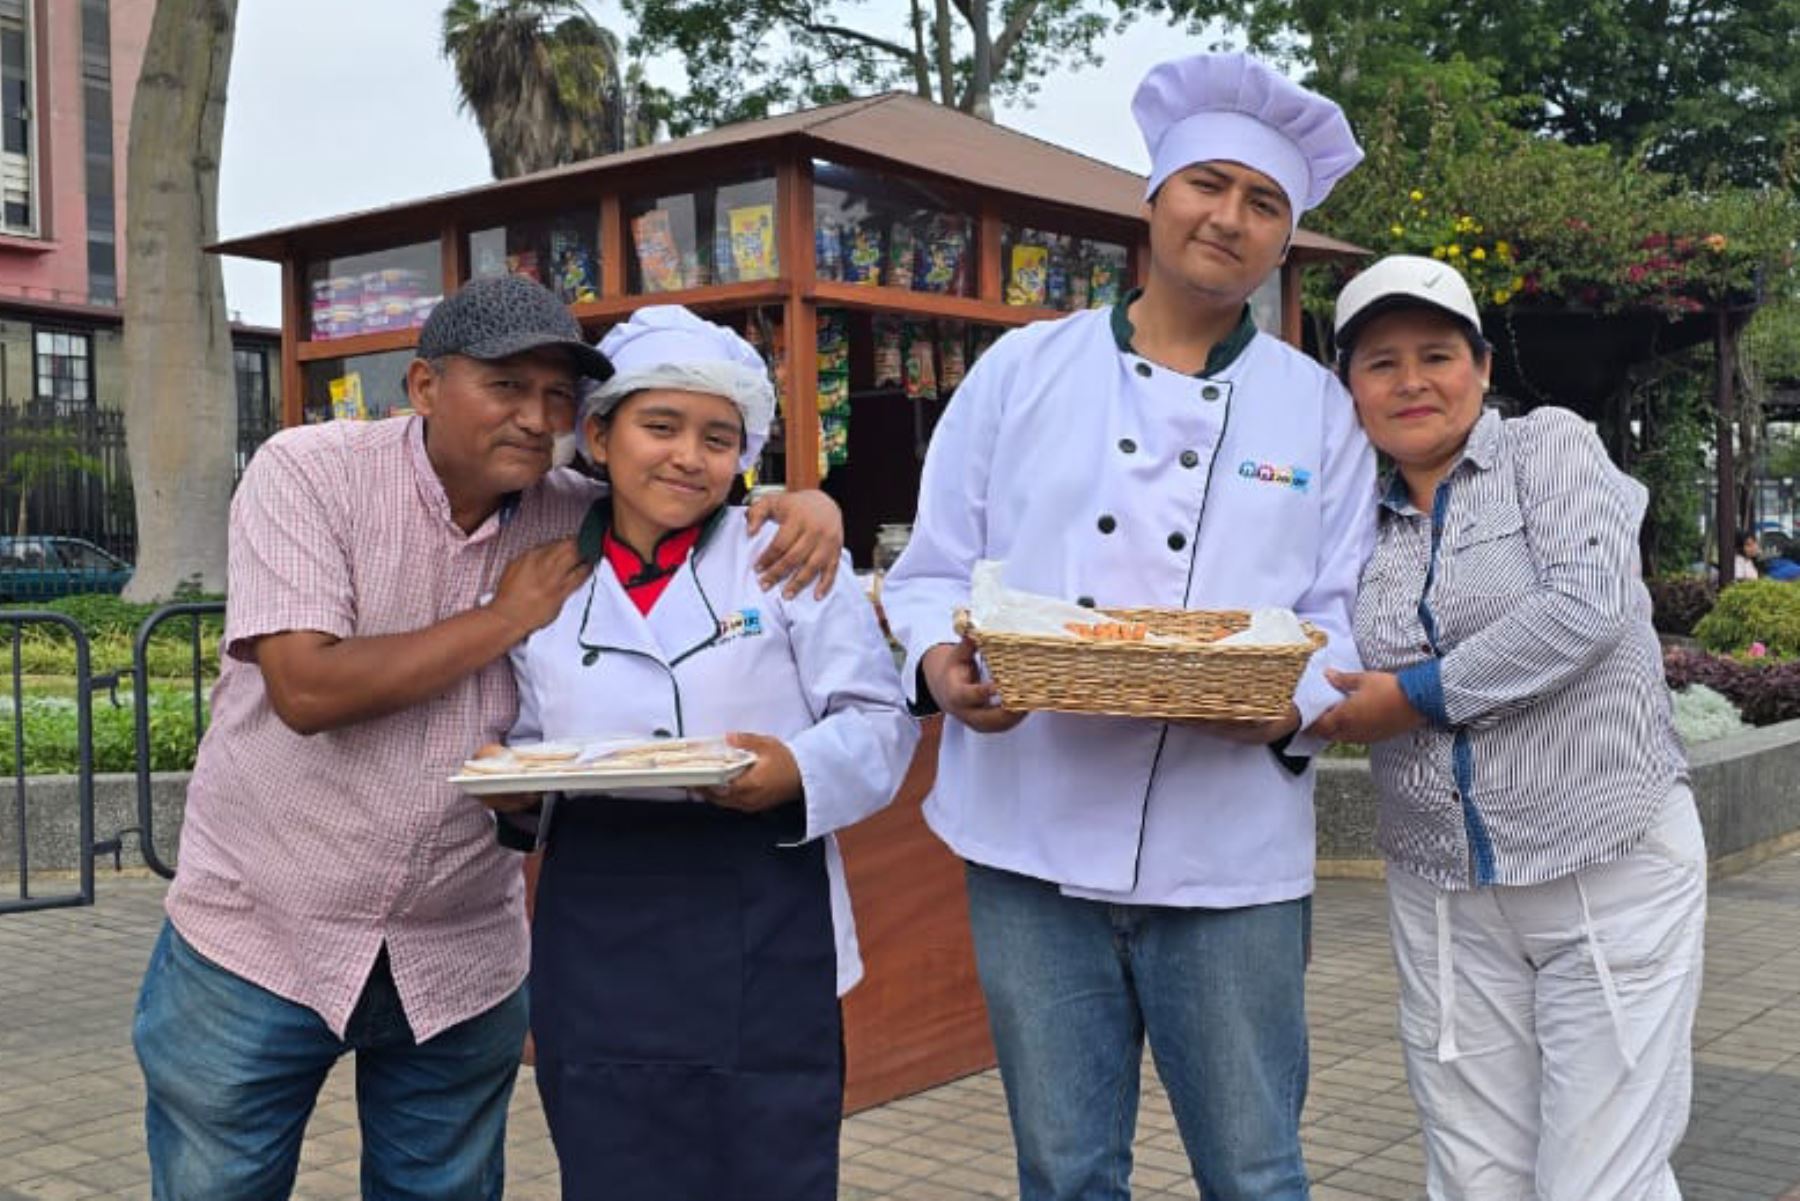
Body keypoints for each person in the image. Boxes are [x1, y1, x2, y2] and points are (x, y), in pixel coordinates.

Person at [131, 275, 847, 1201]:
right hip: (263, 935)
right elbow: (305, 686)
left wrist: (800, 501)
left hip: (459, 952)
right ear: (425, 386)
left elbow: (687, 476)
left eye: (556, 396)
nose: (534, 416)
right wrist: (505, 616)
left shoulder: (569, 508)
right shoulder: (309, 471)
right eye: (506, 386)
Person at [880, 52, 1374, 1201]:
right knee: (1063, 1170)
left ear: (1284, 240)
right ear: (1152, 198)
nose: (1230, 218)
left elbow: (1343, 611)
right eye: (1208, 184)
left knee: (1255, 1172)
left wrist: (1283, 705)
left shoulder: (1316, 409)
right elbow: (934, 568)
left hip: (1231, 856)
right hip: (1029, 844)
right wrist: (947, 667)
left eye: (1264, 204)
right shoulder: (1023, 369)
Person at [495, 305, 917, 1201]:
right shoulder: (548, 579)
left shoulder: (787, 554)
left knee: (772, 1172)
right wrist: (513, 793)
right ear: (599, 436)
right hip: (598, 931)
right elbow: (534, 745)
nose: (690, 455)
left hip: (764, 924)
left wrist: (795, 771)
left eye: (718, 437)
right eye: (661, 426)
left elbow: (882, 722)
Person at [1314, 255, 1705, 1200]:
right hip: (1446, 888)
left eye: (1437, 353)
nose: (1411, 380)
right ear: (1349, 391)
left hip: (1605, 866)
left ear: (1482, 368)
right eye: (1380, 362)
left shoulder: (1548, 447)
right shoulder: (1347, 519)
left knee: (1598, 1176)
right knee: (1473, 1171)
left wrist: (1408, 697)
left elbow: (1588, 602)